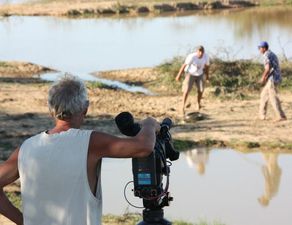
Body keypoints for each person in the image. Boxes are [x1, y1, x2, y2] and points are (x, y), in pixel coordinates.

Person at [0, 75, 159, 225]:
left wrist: (23, 221)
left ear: (51, 110)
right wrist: (150, 124)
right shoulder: (91, 142)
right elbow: (143, 147)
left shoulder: (26, 148)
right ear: (85, 109)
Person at [176, 46, 210, 116]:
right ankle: (182, 106)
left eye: (202, 52)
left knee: (201, 90)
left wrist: (207, 77)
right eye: (199, 51)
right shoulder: (192, 57)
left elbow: (207, 67)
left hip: (200, 74)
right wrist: (178, 76)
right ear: (196, 51)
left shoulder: (206, 57)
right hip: (190, 73)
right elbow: (184, 65)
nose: (201, 53)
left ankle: (198, 103)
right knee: (186, 90)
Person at [258, 41, 286, 121]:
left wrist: (263, 77)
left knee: (273, 97)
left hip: (273, 79)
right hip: (274, 78)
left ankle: (281, 116)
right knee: (263, 95)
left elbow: (268, 68)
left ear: (264, 48)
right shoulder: (271, 53)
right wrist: (266, 77)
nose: (259, 50)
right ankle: (262, 115)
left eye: (260, 48)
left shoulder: (266, 55)